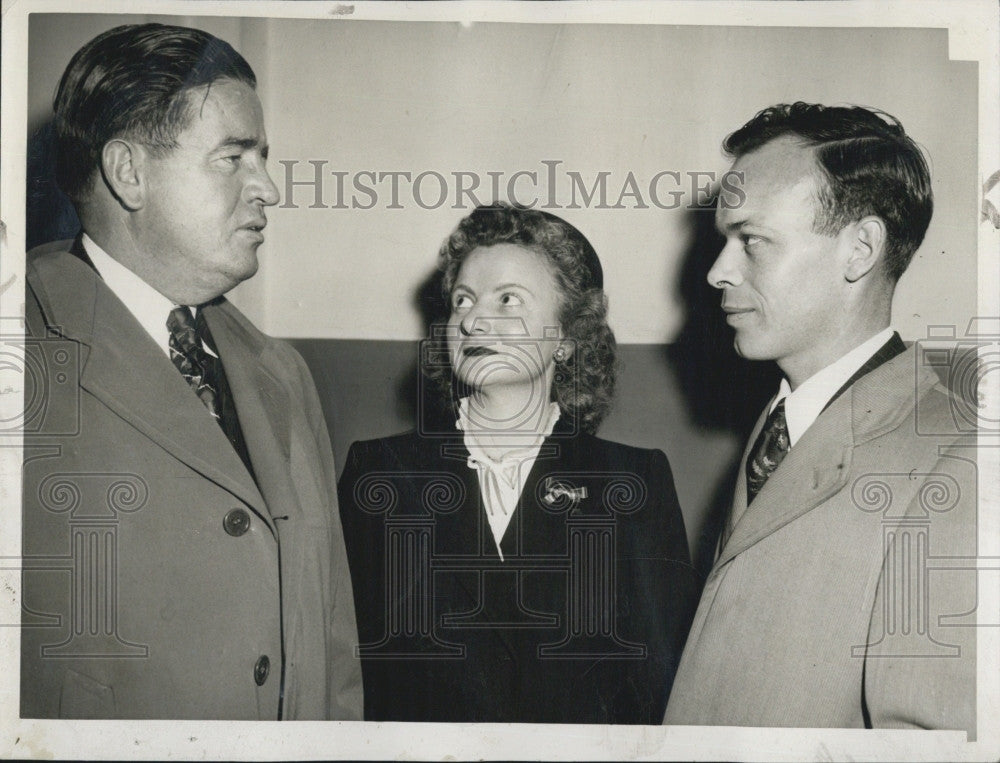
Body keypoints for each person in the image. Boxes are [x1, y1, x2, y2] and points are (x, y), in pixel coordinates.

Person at [20, 23, 361, 720]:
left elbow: (334, 651)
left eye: (262, 157)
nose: (267, 186)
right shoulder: (16, 343)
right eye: (233, 157)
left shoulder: (284, 373)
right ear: (129, 172)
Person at [663, 103, 977, 733]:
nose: (718, 271)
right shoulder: (781, 424)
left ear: (858, 250)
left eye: (751, 240)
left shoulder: (957, 457)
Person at [337, 204, 699, 723]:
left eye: (509, 299)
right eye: (463, 299)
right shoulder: (379, 472)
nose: (475, 318)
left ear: (567, 337)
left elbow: (662, 684)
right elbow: (345, 669)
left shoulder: (633, 481)